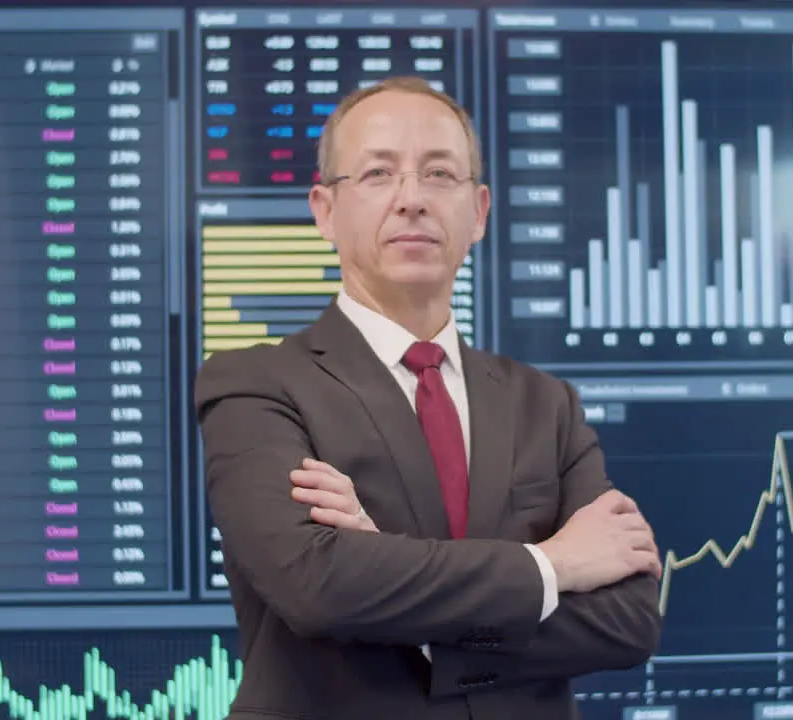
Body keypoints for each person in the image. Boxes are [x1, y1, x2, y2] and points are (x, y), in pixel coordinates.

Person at [195, 76, 662, 720]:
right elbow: (317, 586)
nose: (412, 199)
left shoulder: (547, 404)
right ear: (324, 211)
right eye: (378, 174)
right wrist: (551, 565)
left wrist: (392, 586)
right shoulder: (254, 386)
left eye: (439, 174)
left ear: (478, 213)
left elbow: (626, 621)